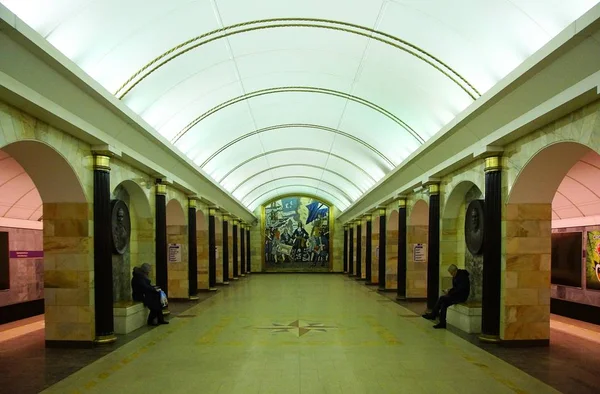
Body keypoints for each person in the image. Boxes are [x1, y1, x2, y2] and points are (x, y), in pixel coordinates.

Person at [422, 264, 470, 329]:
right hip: (456, 295)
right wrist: (449, 290)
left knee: (442, 298)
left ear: (455, 271)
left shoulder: (462, 277)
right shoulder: (456, 276)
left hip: (461, 297)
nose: (451, 275)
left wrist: (449, 292)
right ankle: (442, 323)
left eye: (451, 273)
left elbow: (461, 289)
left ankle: (433, 315)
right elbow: (456, 288)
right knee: (444, 304)